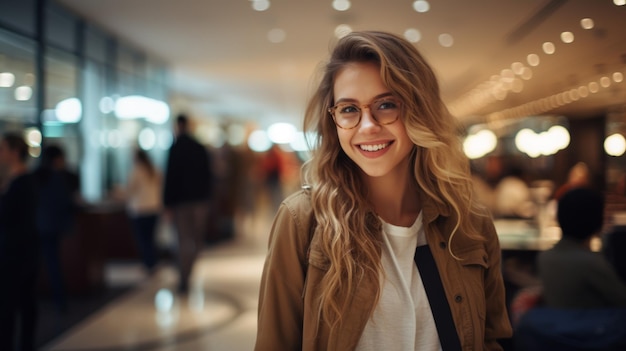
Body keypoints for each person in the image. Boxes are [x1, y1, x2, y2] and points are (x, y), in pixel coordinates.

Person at [255, 31, 512, 351]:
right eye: (349, 109)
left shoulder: (469, 221)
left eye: (386, 104)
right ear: (332, 119)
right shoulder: (302, 221)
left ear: (419, 109)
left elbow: (492, 338)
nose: (367, 126)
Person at [537, 187, 626, 308]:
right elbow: (621, 298)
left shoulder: (545, 258)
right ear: (597, 220)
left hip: (559, 325)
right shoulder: (591, 263)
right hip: (592, 326)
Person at [163, 114, 214, 293]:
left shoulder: (175, 148)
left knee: (184, 240)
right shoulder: (199, 148)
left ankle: (184, 275)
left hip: (182, 203)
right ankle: (187, 272)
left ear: (177, 126)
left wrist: (167, 204)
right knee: (197, 240)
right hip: (200, 201)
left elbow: (170, 178)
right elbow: (209, 176)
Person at [0, 132, 40, 351]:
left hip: (15, 253)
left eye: (2, 149)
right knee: (25, 304)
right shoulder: (22, 182)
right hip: (24, 250)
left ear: (15, 153)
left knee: (11, 306)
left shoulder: (21, 184)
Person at [33, 144, 76, 314]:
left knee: (41, 264)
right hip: (51, 226)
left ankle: (38, 300)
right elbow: (66, 202)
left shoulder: (37, 176)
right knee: (52, 263)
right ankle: (59, 300)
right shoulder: (59, 177)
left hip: (38, 225)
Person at [127, 148, 163, 274]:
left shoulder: (137, 171)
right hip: (154, 208)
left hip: (140, 210)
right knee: (151, 238)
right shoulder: (155, 170)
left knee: (143, 240)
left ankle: (149, 263)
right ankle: (152, 262)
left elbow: (130, 190)